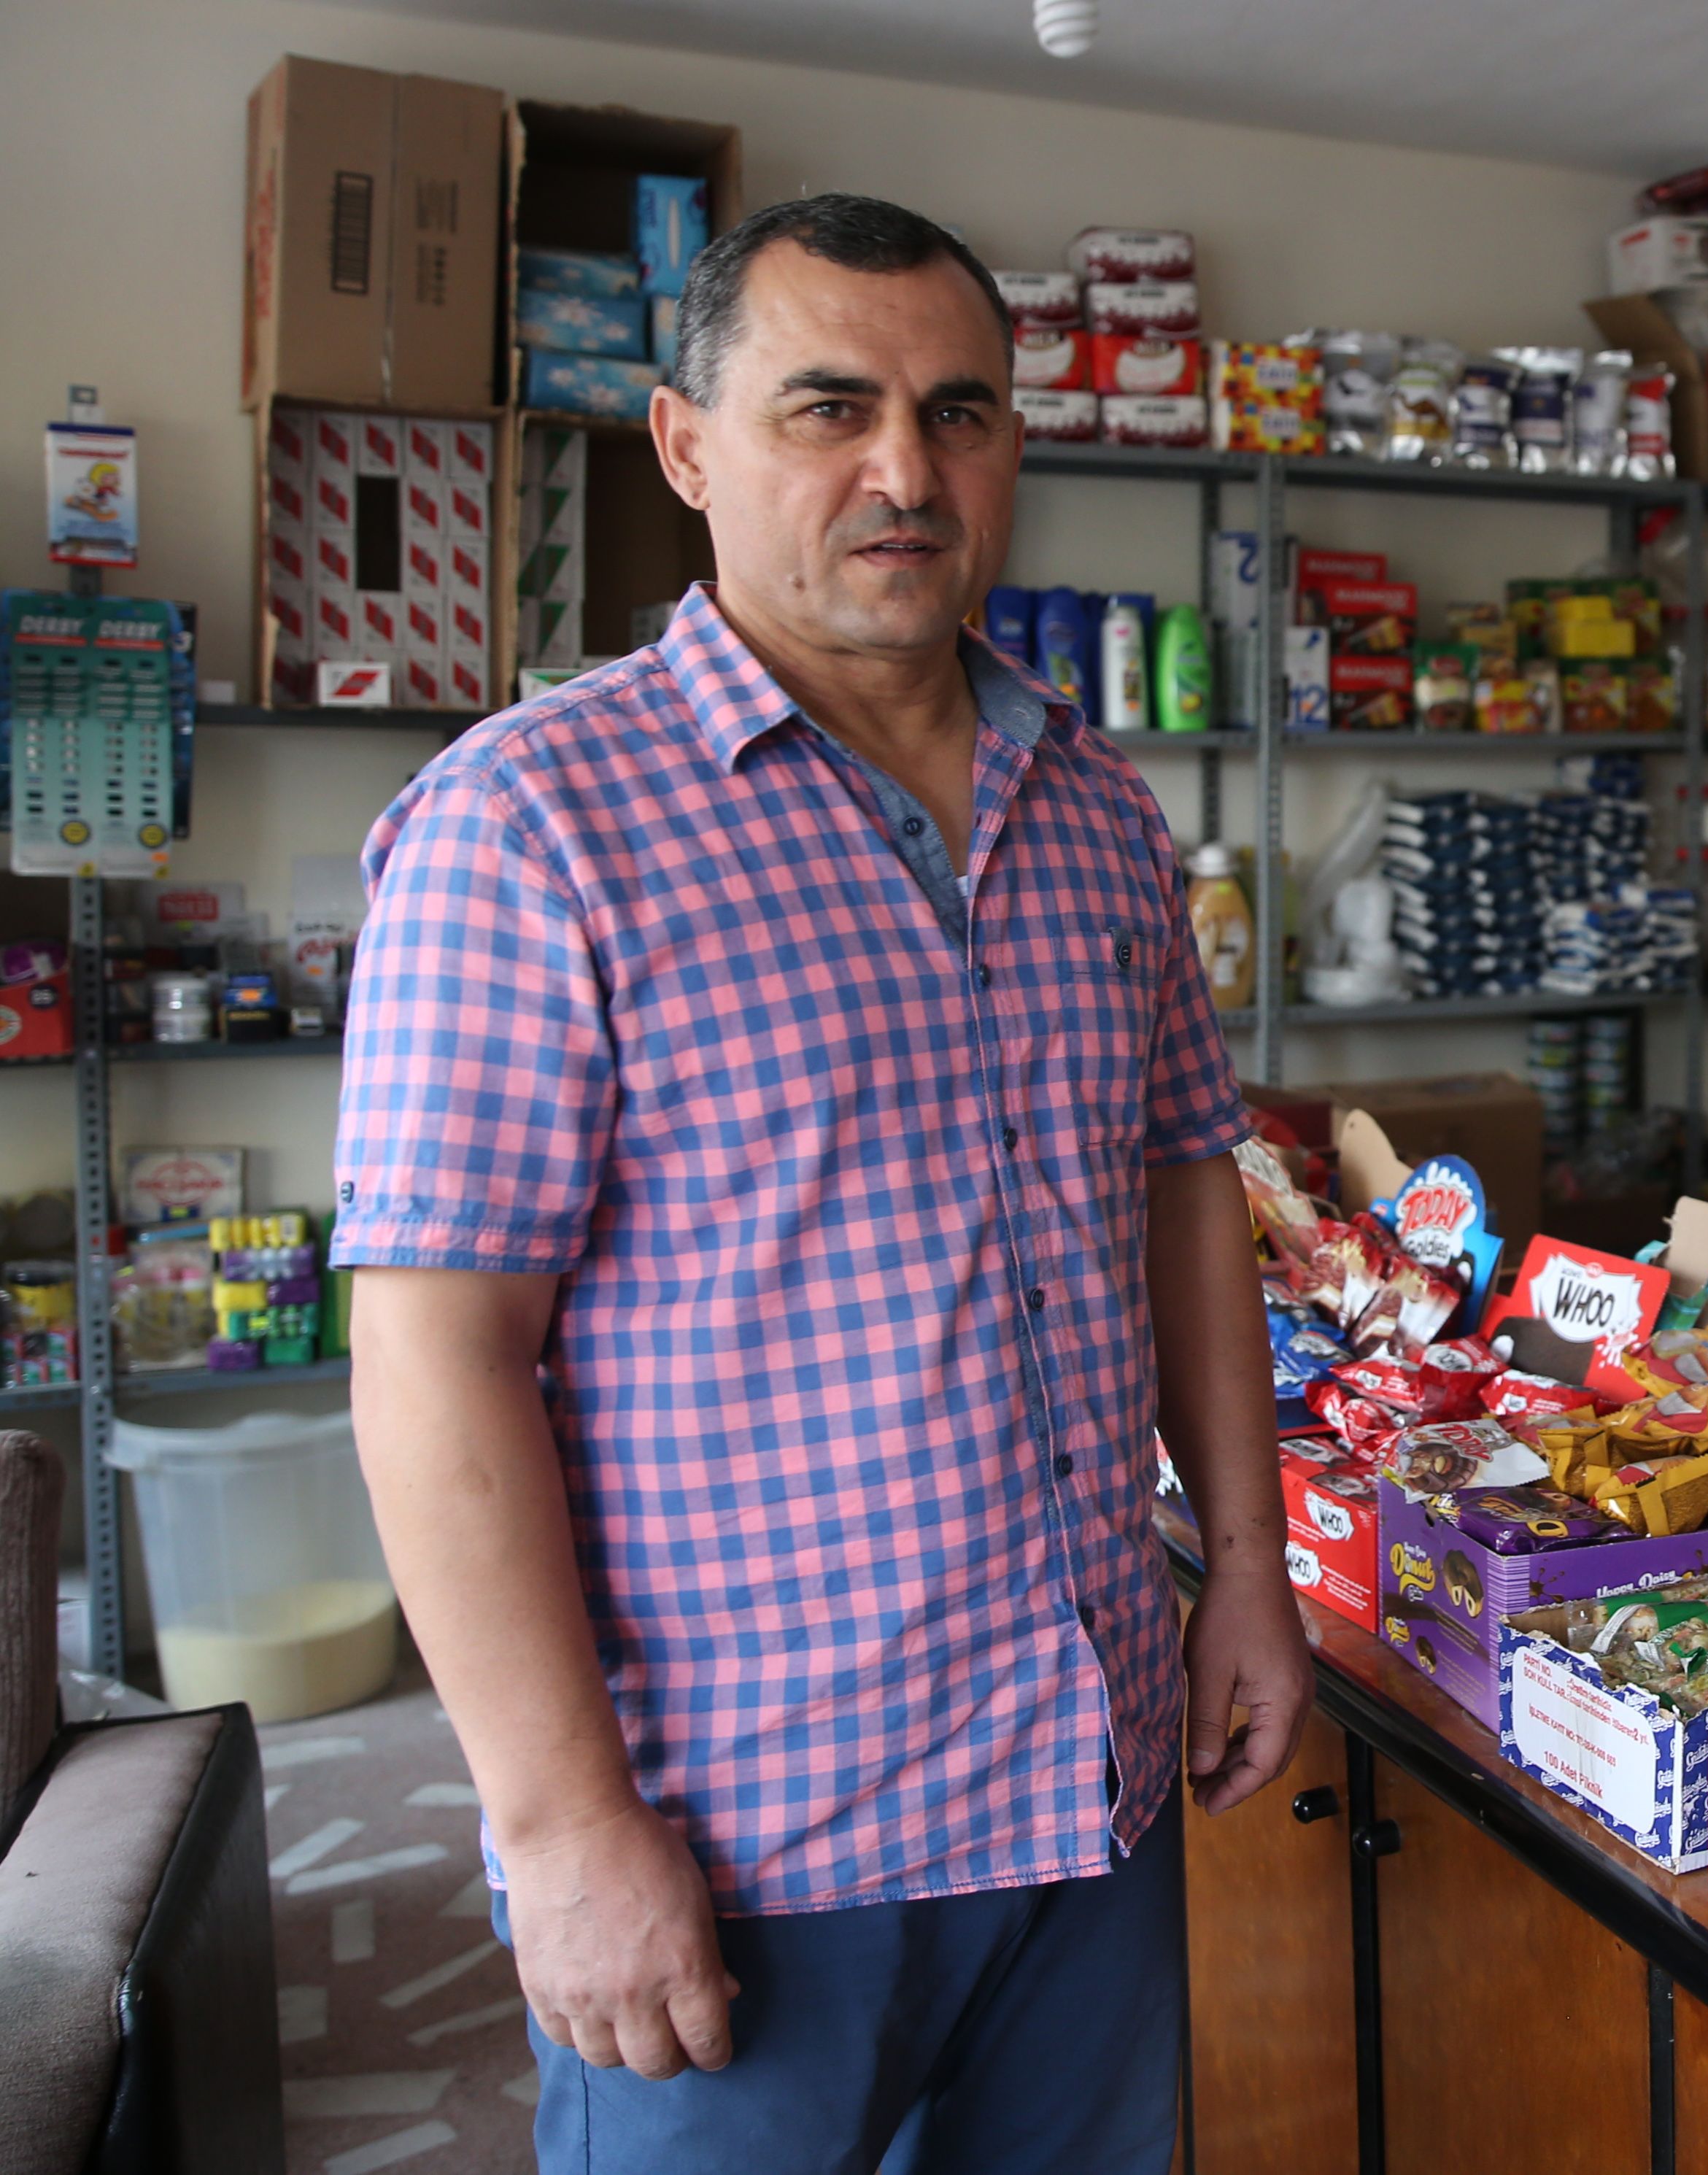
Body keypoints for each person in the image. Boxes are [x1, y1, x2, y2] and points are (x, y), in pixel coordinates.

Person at [333, 193, 1312, 2173]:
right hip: (754, 1833)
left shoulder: (1102, 811)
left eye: (959, 414)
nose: (906, 473)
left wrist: (1248, 1573)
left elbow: (1185, 1190)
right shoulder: (530, 824)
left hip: (1090, 1774)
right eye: (828, 409)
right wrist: (561, 1826)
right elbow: (438, 1359)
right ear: (687, 446)